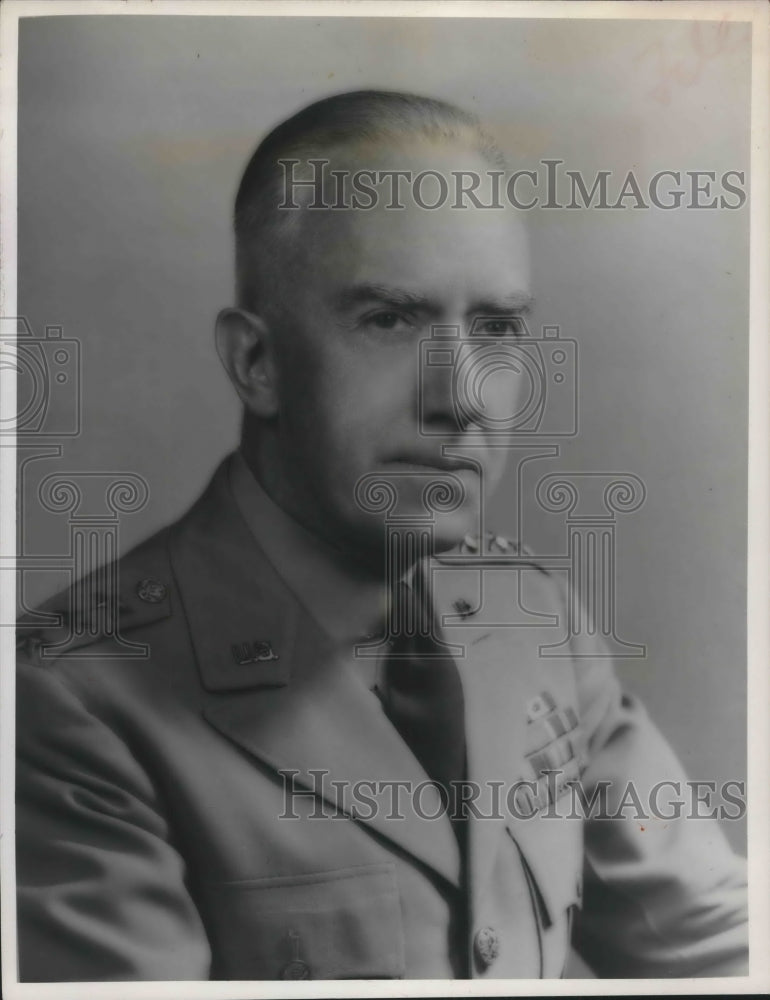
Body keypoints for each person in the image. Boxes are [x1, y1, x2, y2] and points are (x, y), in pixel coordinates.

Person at [15, 90, 748, 982]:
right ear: (258, 363)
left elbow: (718, 942)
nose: (462, 398)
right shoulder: (70, 701)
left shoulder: (532, 619)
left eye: (497, 329)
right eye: (389, 320)